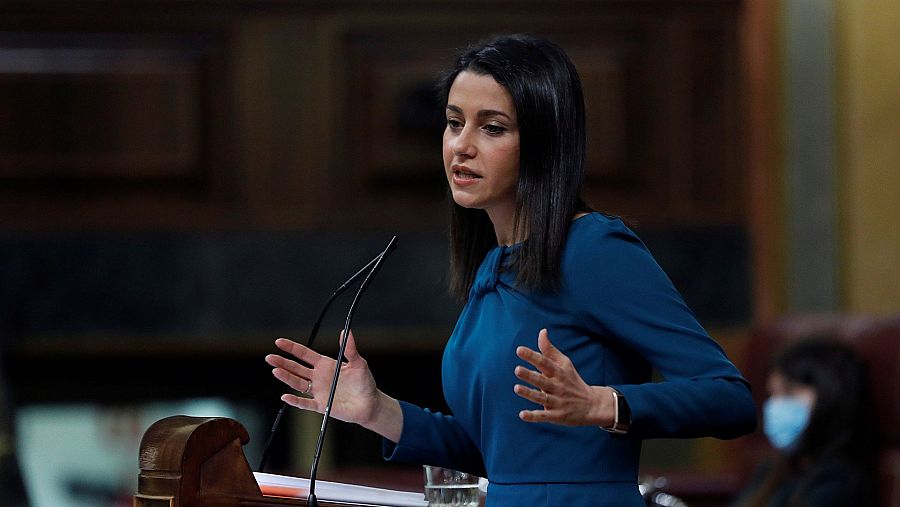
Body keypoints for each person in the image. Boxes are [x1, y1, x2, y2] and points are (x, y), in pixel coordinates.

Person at [265, 33, 757, 506]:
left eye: (493, 127)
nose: (462, 145)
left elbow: (729, 399)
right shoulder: (493, 267)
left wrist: (605, 404)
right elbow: (495, 455)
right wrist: (377, 411)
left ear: (543, 143)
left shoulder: (593, 249)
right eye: (454, 122)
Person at [731, 338, 878, 507]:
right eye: (773, 394)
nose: (775, 406)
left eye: (789, 393)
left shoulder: (836, 480)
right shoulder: (775, 469)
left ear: (829, 394)